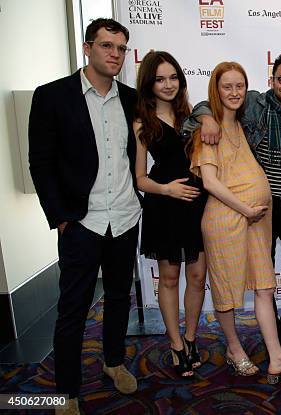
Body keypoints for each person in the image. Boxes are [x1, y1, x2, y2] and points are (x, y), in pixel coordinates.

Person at [28, 18, 141, 414]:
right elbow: (40, 163)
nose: (115, 54)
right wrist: (61, 218)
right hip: (81, 222)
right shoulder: (52, 96)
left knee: (118, 298)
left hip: (125, 218)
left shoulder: (131, 99)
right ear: (87, 47)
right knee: (72, 309)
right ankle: (67, 391)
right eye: (108, 46)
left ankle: (113, 363)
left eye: (122, 48)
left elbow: (175, 110)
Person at [183, 53, 281, 350]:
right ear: (272, 80)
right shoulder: (254, 105)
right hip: (261, 212)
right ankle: (273, 340)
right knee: (264, 280)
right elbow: (207, 106)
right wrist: (206, 117)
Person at [134, 51, 207, 378]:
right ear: (150, 83)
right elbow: (140, 178)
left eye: (173, 77)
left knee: (197, 277)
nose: (168, 84)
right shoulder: (142, 122)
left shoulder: (191, 114)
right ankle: (176, 344)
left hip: (196, 204)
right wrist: (167, 190)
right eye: (160, 79)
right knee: (169, 278)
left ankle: (191, 338)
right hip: (164, 205)